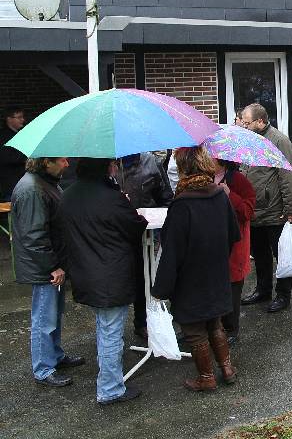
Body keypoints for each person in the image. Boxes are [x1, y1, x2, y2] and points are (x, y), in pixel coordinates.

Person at [56, 158, 148, 404]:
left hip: (85, 273)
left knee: (104, 328)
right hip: (110, 276)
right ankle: (110, 389)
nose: (115, 167)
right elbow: (135, 227)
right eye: (112, 164)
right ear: (105, 168)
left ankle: (109, 382)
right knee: (111, 334)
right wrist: (126, 205)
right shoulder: (112, 198)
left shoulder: (68, 195)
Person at [152, 146, 241, 392]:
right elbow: (233, 234)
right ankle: (227, 369)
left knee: (194, 329)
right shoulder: (219, 194)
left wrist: (161, 288)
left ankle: (206, 377)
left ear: (183, 169)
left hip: (190, 277)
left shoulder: (182, 204)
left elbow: (172, 250)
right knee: (215, 323)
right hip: (216, 271)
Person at [11, 156, 84, 387]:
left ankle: (55, 356)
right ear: (46, 162)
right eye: (61, 160)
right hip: (45, 267)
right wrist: (52, 267)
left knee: (53, 315)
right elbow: (34, 236)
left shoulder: (45, 183)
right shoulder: (32, 189)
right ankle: (43, 368)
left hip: (51, 263)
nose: (67, 164)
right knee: (44, 318)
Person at [240, 103, 292, 313]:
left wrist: (291, 210)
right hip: (254, 210)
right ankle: (263, 290)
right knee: (260, 254)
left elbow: (287, 176)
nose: (244, 126)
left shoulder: (279, 141)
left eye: (247, 123)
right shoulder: (249, 139)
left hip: (274, 210)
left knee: (281, 255)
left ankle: (283, 295)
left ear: (260, 121)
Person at [119, 152, 174, 340]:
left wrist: (161, 225)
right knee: (124, 279)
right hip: (118, 233)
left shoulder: (151, 162)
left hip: (148, 232)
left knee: (147, 277)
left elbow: (166, 197)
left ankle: (145, 322)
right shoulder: (109, 164)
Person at [212, 158, 255, 345]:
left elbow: (247, 212)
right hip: (212, 242)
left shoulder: (238, 180)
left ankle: (231, 328)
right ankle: (213, 326)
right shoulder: (204, 178)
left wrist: (230, 195)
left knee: (232, 288)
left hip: (234, 243)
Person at [0, 106, 27, 201]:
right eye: (19, 117)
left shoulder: (19, 134)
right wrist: (27, 155)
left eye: (22, 117)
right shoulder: (3, 137)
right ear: (9, 119)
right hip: (11, 184)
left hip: (20, 182)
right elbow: (8, 158)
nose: (22, 120)